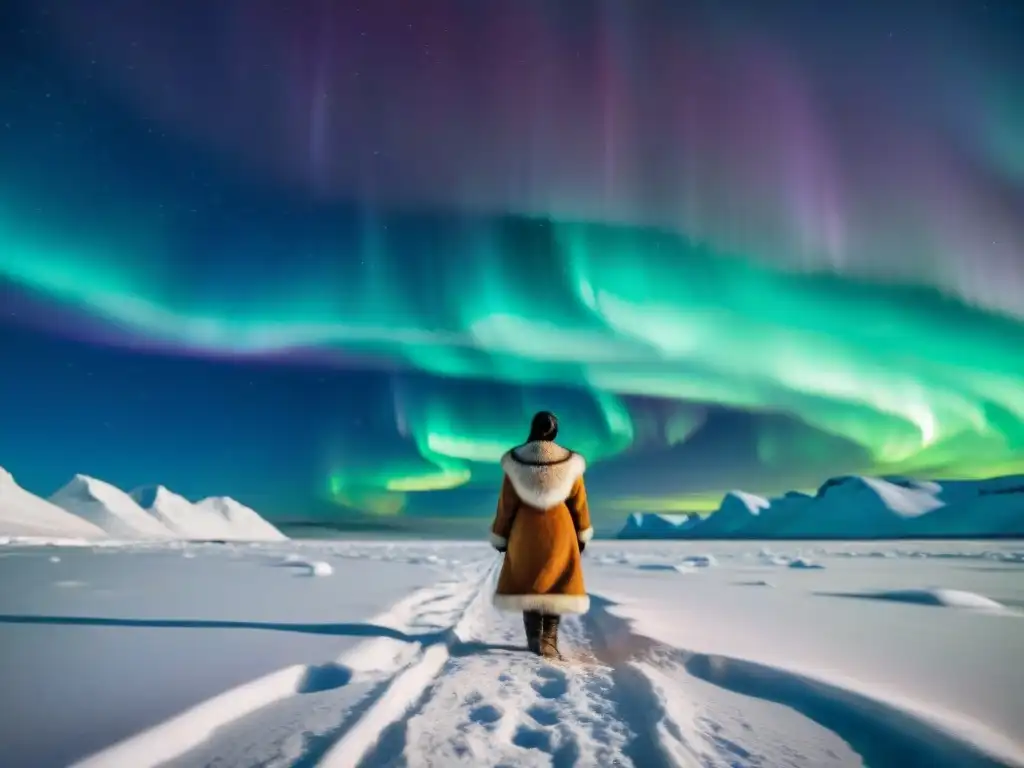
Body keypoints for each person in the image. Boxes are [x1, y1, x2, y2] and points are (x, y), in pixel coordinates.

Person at [489, 410, 593, 659]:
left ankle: (534, 638)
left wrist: (501, 535)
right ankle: (549, 642)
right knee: (556, 585)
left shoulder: (516, 462)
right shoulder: (570, 463)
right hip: (561, 531)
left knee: (530, 583)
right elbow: (579, 503)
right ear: (555, 431)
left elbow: (507, 505)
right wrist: (581, 534)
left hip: (525, 531)